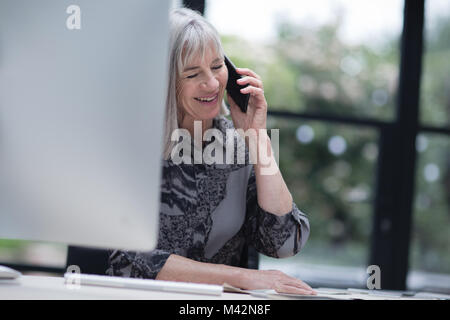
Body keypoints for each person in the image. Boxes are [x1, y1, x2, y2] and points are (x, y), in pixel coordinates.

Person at [107, 7, 316, 295]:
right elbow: (130, 258)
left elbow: (284, 241)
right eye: (193, 73)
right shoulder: (130, 144)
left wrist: (257, 138)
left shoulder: (237, 143)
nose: (212, 83)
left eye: (217, 66)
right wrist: (242, 278)